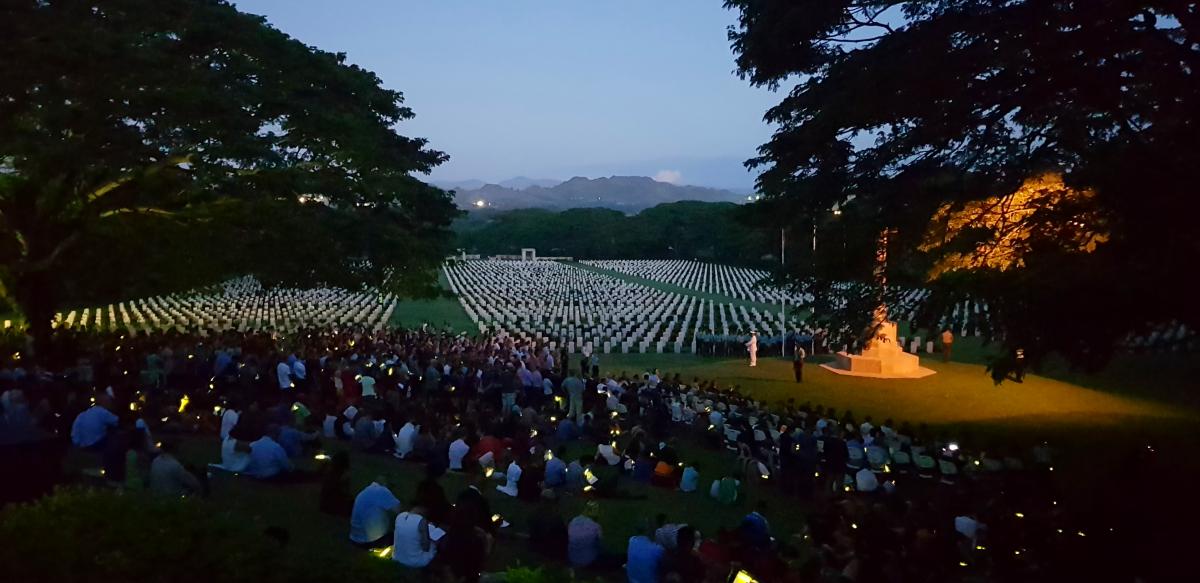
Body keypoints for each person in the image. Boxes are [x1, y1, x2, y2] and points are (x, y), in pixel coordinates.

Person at [349, 477, 402, 548]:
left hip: (354, 539)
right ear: (387, 484)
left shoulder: (366, 491)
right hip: (369, 543)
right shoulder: (382, 491)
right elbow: (400, 512)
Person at [567, 502, 604, 568]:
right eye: (596, 511)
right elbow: (600, 544)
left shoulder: (573, 521)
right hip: (589, 561)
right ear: (591, 511)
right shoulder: (596, 526)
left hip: (572, 558)